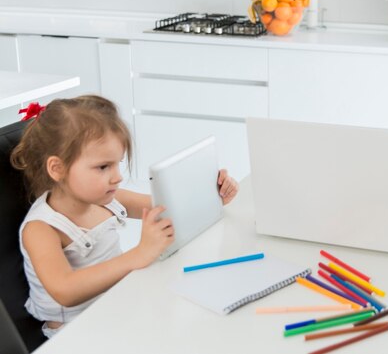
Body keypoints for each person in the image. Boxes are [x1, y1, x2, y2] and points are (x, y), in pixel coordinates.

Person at [10, 95, 239, 338]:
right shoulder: (41, 228)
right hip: (76, 335)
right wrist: (138, 254)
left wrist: (213, 192)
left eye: (117, 164)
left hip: (119, 308)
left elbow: (169, 206)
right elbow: (65, 290)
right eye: (103, 167)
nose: (117, 176)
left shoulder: (108, 197)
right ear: (57, 168)